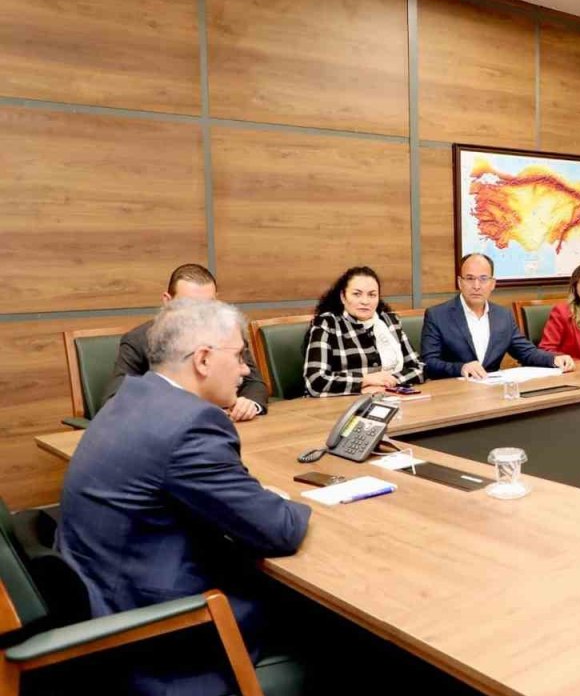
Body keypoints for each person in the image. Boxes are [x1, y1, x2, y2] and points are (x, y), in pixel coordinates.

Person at [57, 299, 311, 695]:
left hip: (103, 601)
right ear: (204, 359)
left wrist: (248, 497)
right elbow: (278, 530)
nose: (246, 370)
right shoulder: (191, 424)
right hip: (164, 636)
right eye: (241, 355)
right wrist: (293, 499)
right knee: (334, 620)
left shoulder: (133, 396)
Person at [104, 263, 267, 421]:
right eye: (190, 306)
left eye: (208, 306)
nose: (200, 315)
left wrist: (249, 404)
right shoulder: (139, 340)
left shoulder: (228, 335)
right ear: (167, 301)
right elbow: (115, 400)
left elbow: (253, 382)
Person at [421, 253, 573, 379]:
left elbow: (526, 352)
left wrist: (554, 359)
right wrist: (461, 368)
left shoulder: (503, 315)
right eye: (469, 278)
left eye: (483, 279)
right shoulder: (437, 315)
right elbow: (428, 363)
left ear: (493, 284)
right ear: (460, 282)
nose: (476, 286)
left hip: (492, 393)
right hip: (454, 394)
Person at [303, 266, 425, 396]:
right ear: (343, 297)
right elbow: (315, 380)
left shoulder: (390, 322)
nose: (365, 301)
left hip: (390, 397)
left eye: (372, 295)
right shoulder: (327, 324)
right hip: (339, 406)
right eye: (357, 294)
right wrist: (364, 381)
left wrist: (389, 382)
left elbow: (419, 368)